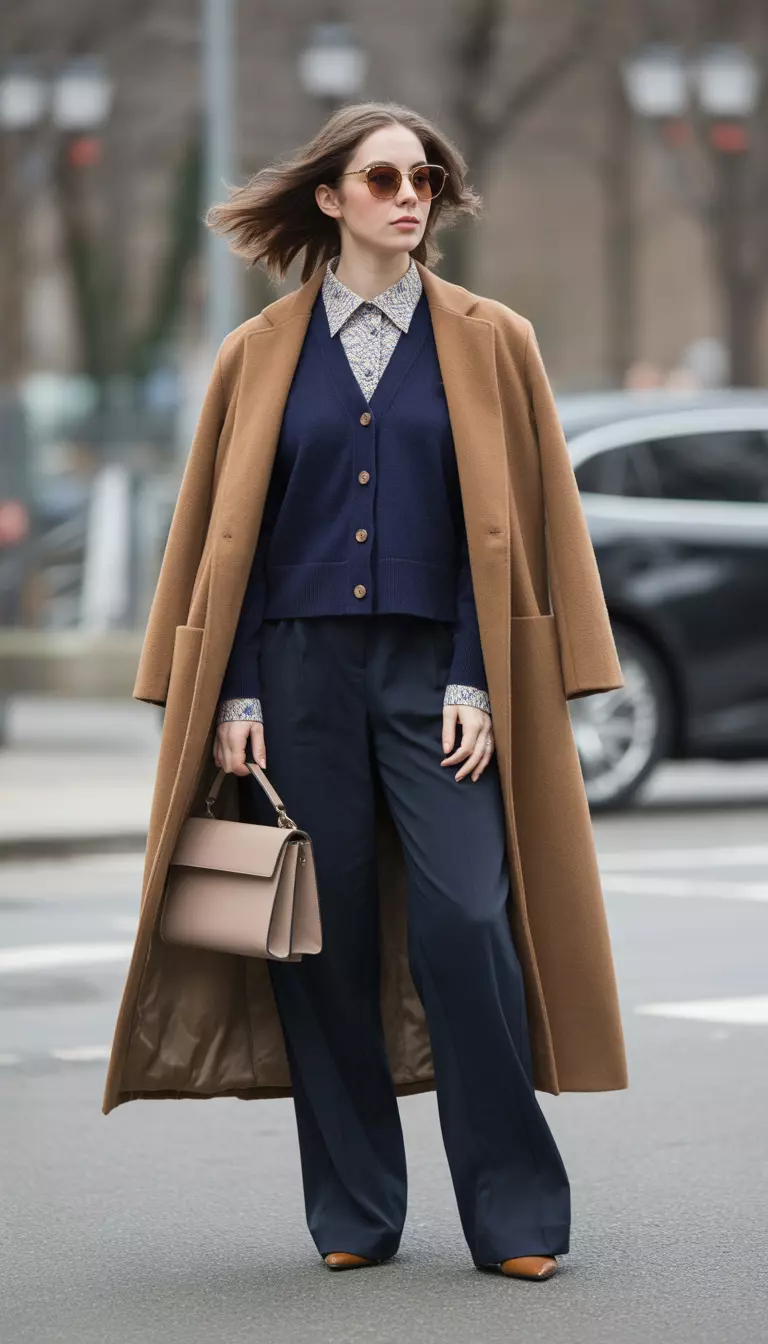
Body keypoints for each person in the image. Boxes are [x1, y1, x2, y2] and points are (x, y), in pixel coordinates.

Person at [102, 101, 627, 1281]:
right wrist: (236, 695)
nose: (408, 196)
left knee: (467, 919)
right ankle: (353, 1207)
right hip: (295, 678)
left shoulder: (494, 339)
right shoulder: (258, 352)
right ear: (330, 198)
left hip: (440, 677)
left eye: (424, 178)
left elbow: (514, 530)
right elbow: (226, 543)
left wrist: (476, 675)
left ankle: (516, 1213)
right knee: (318, 939)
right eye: (383, 178)